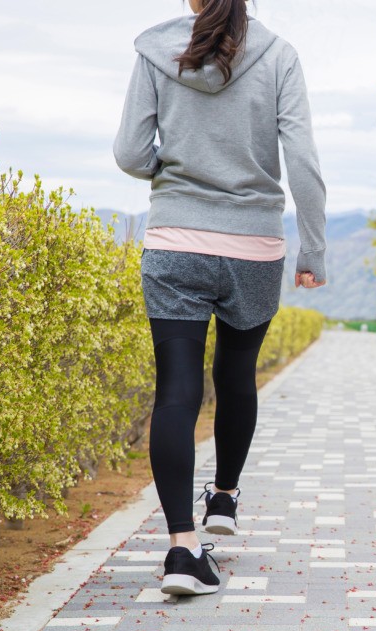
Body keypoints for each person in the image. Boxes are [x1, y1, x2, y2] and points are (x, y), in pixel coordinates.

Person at [113, 0, 326, 596]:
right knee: (237, 375)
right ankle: (225, 498)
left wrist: (178, 179)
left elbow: (131, 153)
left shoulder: (156, 50)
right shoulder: (280, 55)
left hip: (175, 239)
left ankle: (182, 551)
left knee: (176, 391)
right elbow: (302, 160)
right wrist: (313, 248)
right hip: (253, 246)